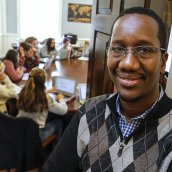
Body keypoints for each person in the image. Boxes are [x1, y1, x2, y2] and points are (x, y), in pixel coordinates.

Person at [43, 7, 172, 172]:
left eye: (144, 50)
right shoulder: (89, 112)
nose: (127, 64)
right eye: (118, 49)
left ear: (162, 62)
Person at [17, 68, 68, 141]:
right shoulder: (45, 98)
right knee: (59, 122)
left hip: (20, 130)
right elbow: (63, 110)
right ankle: (56, 150)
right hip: (36, 135)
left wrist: (47, 91)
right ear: (43, 81)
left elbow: (34, 94)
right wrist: (61, 99)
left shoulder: (22, 91)